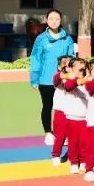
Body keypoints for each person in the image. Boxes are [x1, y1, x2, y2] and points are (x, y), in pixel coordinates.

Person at [29, 9, 77, 145]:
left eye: (57, 19)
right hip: (45, 80)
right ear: (46, 20)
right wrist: (34, 78)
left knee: (64, 108)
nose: (54, 21)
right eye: (51, 19)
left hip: (63, 80)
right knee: (47, 106)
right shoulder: (41, 39)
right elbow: (35, 59)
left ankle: (64, 134)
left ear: (61, 20)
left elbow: (72, 58)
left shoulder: (67, 38)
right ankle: (48, 133)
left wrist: (71, 75)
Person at [59, 57, 89, 174]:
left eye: (83, 69)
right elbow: (69, 86)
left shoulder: (87, 82)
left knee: (84, 142)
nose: (81, 72)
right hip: (72, 118)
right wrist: (78, 80)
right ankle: (74, 162)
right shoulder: (68, 81)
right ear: (70, 70)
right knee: (73, 142)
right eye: (79, 69)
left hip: (86, 118)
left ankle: (83, 161)